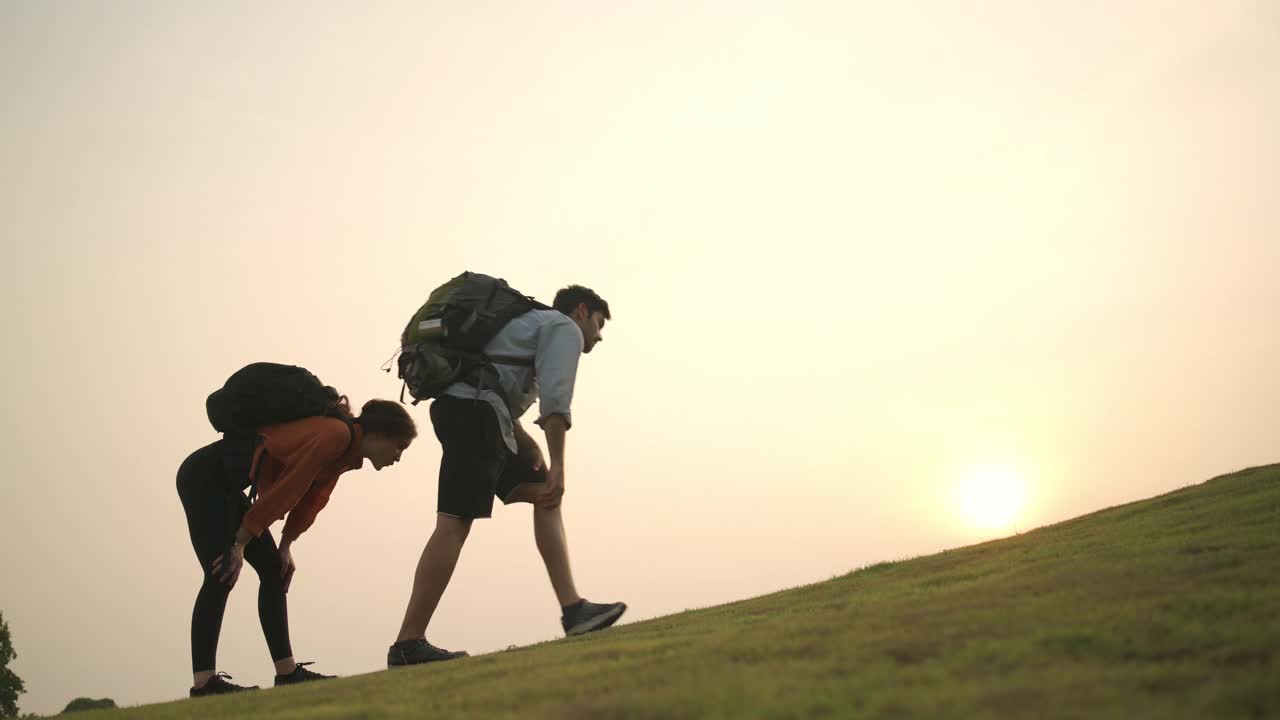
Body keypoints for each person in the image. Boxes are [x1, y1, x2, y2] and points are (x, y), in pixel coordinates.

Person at [388, 284, 626, 667]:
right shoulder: (562, 328)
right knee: (453, 524)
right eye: (599, 324)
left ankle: (574, 609)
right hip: (474, 415)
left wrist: (526, 444)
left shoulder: (531, 325)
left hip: (476, 413)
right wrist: (560, 465)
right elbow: (555, 405)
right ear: (581, 311)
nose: (599, 336)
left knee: (545, 492)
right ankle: (407, 643)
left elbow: (496, 381)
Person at [177, 398, 417, 696]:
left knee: (274, 571)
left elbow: (313, 498)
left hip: (226, 487)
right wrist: (239, 542)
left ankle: (287, 673)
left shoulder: (346, 452)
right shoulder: (336, 436)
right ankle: (204, 683)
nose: (397, 457)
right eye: (399, 447)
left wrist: (285, 544)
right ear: (380, 434)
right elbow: (291, 485)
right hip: (203, 479)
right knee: (222, 571)